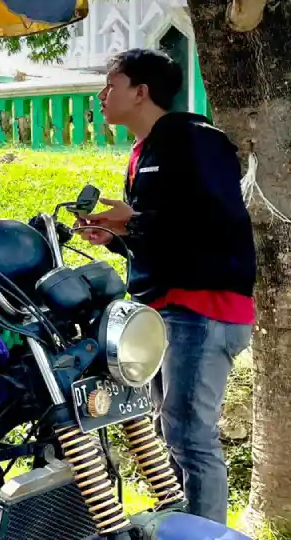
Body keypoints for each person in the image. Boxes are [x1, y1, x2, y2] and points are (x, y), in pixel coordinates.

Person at [77, 47, 255, 524]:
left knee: (191, 435)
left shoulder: (195, 140)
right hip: (164, 308)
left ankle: (205, 534)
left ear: (141, 92)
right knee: (169, 428)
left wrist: (134, 220)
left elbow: (217, 222)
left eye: (110, 85)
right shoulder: (144, 152)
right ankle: (182, 525)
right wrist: (119, 233)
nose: (101, 95)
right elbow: (164, 236)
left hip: (204, 307)